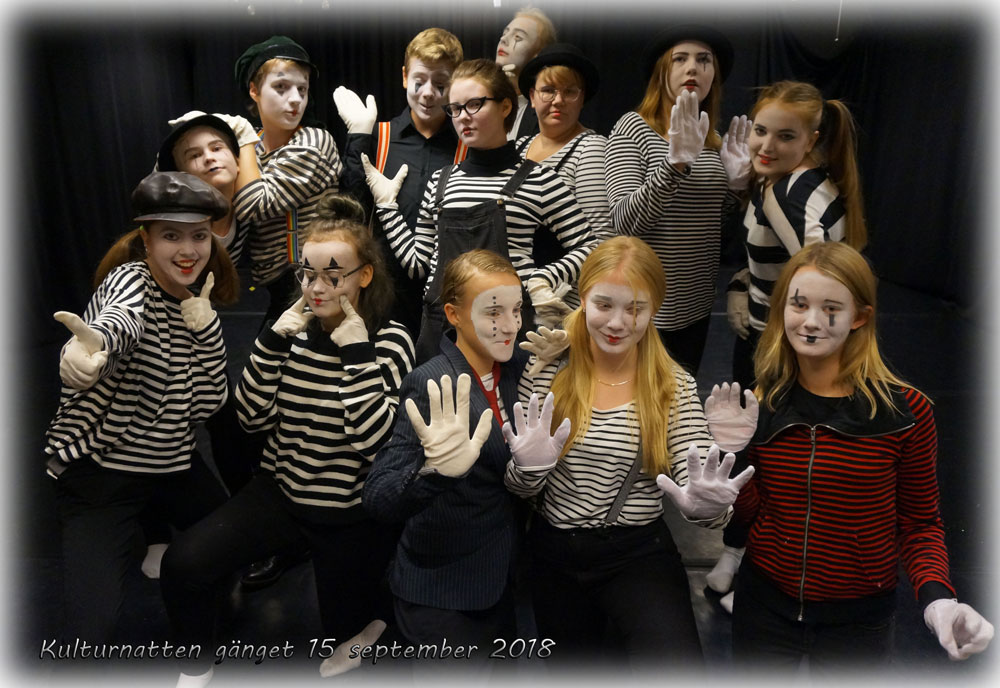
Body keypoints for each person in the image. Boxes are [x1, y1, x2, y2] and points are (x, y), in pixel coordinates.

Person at [159, 193, 415, 688]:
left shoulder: (390, 339)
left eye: (332, 275)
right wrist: (273, 340)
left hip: (347, 510)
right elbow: (250, 417)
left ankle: (366, 625)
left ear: (364, 275)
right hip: (281, 492)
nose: (316, 288)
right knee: (183, 563)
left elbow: (374, 442)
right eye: (307, 274)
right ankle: (196, 662)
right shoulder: (293, 331)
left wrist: (356, 353)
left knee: (349, 640)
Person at [725, 241, 993, 671]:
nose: (811, 321)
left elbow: (920, 523)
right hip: (763, 607)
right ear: (782, 310)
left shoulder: (906, 413)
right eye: (799, 305)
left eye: (831, 308)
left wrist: (939, 600)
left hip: (858, 621)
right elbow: (747, 516)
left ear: (859, 317)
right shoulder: (761, 403)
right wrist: (729, 466)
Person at [504, 236, 753, 669]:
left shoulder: (672, 385)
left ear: (655, 309)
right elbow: (520, 488)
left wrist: (708, 508)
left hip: (636, 554)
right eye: (604, 304)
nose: (618, 323)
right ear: (583, 298)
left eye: (635, 309)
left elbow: (698, 487)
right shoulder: (548, 368)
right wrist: (528, 470)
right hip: (554, 554)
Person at [43, 171, 238, 647]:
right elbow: (119, 320)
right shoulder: (130, 280)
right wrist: (90, 349)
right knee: (91, 631)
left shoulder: (197, 304)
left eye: (198, 236)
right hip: (101, 472)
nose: (188, 250)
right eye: (171, 236)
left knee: (233, 544)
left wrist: (208, 333)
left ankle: (165, 557)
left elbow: (208, 405)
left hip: (169, 463)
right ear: (146, 240)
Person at [362, 249, 534, 675]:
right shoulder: (430, 383)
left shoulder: (517, 366)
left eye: (517, 310)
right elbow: (379, 496)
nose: (511, 325)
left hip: (501, 580)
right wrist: (433, 472)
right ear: (454, 315)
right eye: (493, 312)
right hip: (442, 590)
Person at [362, 58, 598, 363]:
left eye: (474, 104)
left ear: (505, 107)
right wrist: (387, 207)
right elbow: (418, 265)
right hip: (442, 332)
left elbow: (590, 247)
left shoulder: (539, 179)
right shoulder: (441, 181)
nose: (463, 117)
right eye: (455, 108)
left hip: (509, 332)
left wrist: (542, 279)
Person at [606, 25, 750, 376]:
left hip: (696, 306)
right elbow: (624, 223)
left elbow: (716, 229)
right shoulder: (633, 128)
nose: (692, 68)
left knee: (679, 403)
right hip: (643, 307)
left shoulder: (713, 142)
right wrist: (675, 166)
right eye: (680, 59)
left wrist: (736, 190)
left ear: (714, 75)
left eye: (704, 60)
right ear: (662, 72)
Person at [726, 80, 868, 392]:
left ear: (810, 140)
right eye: (761, 130)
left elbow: (824, 282)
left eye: (785, 136)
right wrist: (744, 280)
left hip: (779, 348)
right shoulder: (799, 176)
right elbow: (782, 255)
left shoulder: (785, 197)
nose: (766, 146)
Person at [335, 27, 466, 336]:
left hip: (448, 296)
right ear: (405, 77)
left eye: (441, 84)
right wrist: (358, 137)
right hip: (384, 295)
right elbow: (351, 212)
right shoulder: (379, 136)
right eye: (420, 81)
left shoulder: (467, 145)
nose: (428, 93)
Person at [228, 35, 343, 328]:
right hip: (276, 288)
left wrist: (241, 139)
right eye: (281, 87)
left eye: (302, 89)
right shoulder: (251, 147)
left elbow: (252, 205)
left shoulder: (313, 141)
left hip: (315, 283)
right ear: (254, 90)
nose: (295, 99)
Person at [515, 42, 613, 307]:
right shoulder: (518, 147)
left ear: (582, 99)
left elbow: (601, 244)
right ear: (532, 97)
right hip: (515, 302)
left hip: (559, 306)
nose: (558, 100)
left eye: (569, 91)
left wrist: (569, 313)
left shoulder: (590, 149)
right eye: (548, 90)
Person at [494, 6, 557, 141]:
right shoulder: (482, 100)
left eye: (518, 37)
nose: (503, 39)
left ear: (538, 54)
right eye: (505, 33)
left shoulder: (548, 112)